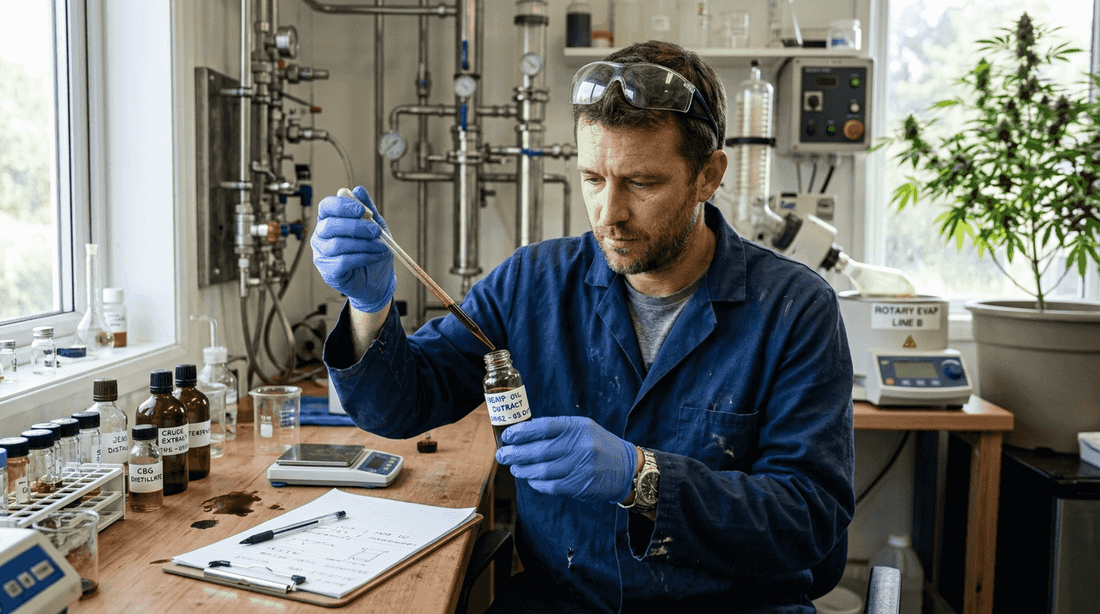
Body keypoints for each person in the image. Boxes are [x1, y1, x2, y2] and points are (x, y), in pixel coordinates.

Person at [311, 40, 854, 614]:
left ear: (708, 176)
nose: (609, 213)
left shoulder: (795, 309)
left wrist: (642, 478)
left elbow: (810, 518)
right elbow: (402, 406)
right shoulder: (533, 282)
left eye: (641, 183)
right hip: (565, 602)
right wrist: (368, 304)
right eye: (593, 178)